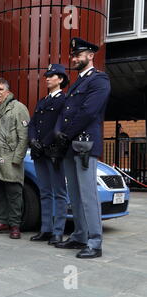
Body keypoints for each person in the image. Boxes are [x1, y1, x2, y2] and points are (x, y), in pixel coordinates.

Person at [54, 38, 111, 259]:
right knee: (75, 195)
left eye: (78, 55)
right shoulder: (78, 82)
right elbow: (65, 112)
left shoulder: (99, 80)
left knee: (88, 195)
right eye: (73, 55)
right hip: (71, 146)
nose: (74, 58)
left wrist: (65, 134)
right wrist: (60, 135)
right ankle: (79, 236)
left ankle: (95, 243)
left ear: (90, 56)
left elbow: (88, 112)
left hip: (84, 143)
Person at [0, 78, 30, 239]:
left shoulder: (18, 108)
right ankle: (2, 221)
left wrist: (17, 158)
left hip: (10, 159)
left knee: (14, 193)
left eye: (0, 89)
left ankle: (15, 225)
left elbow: (24, 136)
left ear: (8, 91)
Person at [28, 64, 69, 245]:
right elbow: (32, 124)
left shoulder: (64, 100)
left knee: (59, 193)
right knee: (45, 192)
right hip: (40, 152)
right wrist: (32, 141)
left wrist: (42, 144)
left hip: (53, 152)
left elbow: (59, 126)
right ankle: (46, 229)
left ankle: (58, 232)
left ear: (60, 79)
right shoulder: (42, 101)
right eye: (47, 76)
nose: (47, 78)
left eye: (51, 76)